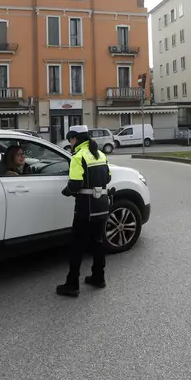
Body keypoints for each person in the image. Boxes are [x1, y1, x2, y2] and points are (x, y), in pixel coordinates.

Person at [56, 125, 112, 297]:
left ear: (75, 139)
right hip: (102, 205)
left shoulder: (78, 157)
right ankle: (98, 277)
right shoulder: (100, 154)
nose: (69, 142)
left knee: (77, 246)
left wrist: (66, 191)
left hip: (85, 208)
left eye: (70, 139)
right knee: (97, 242)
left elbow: (75, 185)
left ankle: (72, 284)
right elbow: (108, 177)